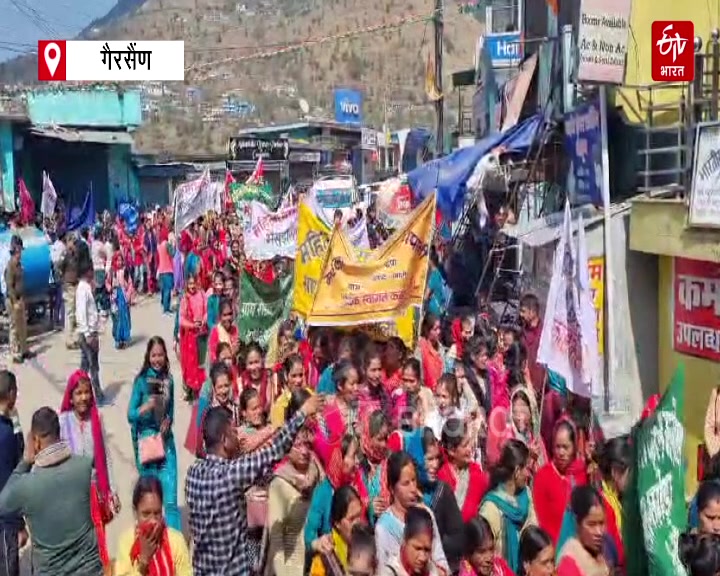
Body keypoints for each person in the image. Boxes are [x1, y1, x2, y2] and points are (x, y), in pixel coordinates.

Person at [185, 393, 323, 576]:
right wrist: (303, 412)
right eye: (234, 432)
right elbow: (276, 450)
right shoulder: (231, 474)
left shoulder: (193, 473)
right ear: (224, 440)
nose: (238, 436)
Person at [0, 407, 103, 575]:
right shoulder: (83, 466)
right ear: (59, 433)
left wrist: (25, 462)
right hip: (90, 569)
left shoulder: (26, 486)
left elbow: (3, 503)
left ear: (36, 441)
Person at [59, 370, 120, 572]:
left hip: (94, 493)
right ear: (71, 396)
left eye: (87, 392)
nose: (84, 397)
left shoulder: (97, 418)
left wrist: (112, 490)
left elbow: (105, 455)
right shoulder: (62, 422)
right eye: (79, 393)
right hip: (71, 494)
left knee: (98, 541)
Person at [128, 336, 181, 531]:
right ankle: (151, 540)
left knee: (171, 501)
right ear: (148, 357)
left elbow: (172, 410)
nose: (157, 359)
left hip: (166, 443)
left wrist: (168, 421)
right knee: (150, 501)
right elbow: (130, 415)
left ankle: (175, 546)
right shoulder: (141, 382)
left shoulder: (169, 380)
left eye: (160, 355)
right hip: (148, 445)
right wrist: (145, 407)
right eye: (154, 355)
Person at [266, 395, 322, 576]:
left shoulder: (317, 471)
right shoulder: (279, 483)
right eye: (298, 446)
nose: (304, 451)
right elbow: (276, 541)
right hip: (291, 567)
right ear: (287, 448)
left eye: (307, 445)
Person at [399, 427, 465, 573]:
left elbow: (459, 538)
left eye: (437, 458)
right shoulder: (403, 495)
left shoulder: (443, 492)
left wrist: (432, 540)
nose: (435, 465)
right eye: (429, 459)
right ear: (416, 458)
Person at [375, 451, 449, 573]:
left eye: (414, 480)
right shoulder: (384, 527)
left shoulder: (425, 514)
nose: (413, 489)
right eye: (406, 483)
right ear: (392, 489)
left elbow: (440, 558)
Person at [115, 476, 192, 576]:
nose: (152, 521)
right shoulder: (126, 542)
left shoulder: (175, 540)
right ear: (135, 512)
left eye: (157, 513)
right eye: (146, 514)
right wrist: (144, 561)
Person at [480, 439, 537, 573]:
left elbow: (533, 528)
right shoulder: (491, 508)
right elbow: (483, 553)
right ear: (517, 471)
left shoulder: (526, 495)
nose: (528, 474)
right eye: (526, 469)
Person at [305, 434, 366, 552]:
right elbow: (308, 537)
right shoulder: (323, 492)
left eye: (358, 456)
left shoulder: (356, 484)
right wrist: (317, 543)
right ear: (340, 458)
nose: (357, 461)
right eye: (353, 456)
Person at [533, 419, 588, 544]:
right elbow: (541, 519)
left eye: (565, 447)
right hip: (554, 548)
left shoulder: (581, 473)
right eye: (557, 447)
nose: (561, 453)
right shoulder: (543, 476)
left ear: (574, 447)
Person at [438, 417, 489, 522]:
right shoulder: (442, 477)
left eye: (469, 442)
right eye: (465, 445)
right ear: (452, 451)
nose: (470, 449)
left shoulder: (476, 473)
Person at [309, 485, 365, 576]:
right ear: (337, 523)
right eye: (352, 519)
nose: (358, 523)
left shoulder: (367, 544)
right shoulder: (325, 558)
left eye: (359, 515)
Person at [0, 371, 24, 576]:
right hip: (5, 523)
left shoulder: (7, 426)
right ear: (11, 394)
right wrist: (19, 525)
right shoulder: (6, 433)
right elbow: (10, 483)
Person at [556, 486, 609, 576]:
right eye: (591, 524)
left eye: (601, 523)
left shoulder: (600, 549)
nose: (599, 532)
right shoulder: (570, 562)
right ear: (577, 523)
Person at [596, 436, 630, 571]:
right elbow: (618, 554)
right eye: (631, 472)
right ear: (616, 472)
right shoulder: (604, 507)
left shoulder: (617, 501)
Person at [378, 506, 442, 576]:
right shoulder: (389, 572)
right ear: (405, 541)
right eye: (418, 548)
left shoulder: (432, 570)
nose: (422, 558)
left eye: (427, 550)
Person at [76, 266, 104, 402]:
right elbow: (81, 313)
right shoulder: (82, 289)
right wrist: (88, 334)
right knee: (93, 366)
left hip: (90, 331)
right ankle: (97, 395)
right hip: (87, 334)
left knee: (85, 366)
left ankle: (78, 391)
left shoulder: (86, 287)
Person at [179, 274, 208, 401]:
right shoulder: (185, 298)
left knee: (201, 363)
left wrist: (203, 321)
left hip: (201, 335)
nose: (192, 286)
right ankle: (189, 389)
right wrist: (192, 325)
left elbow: (207, 311)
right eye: (189, 284)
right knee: (189, 364)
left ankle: (200, 389)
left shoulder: (202, 294)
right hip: (190, 337)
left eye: (194, 283)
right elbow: (181, 319)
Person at [5, 234, 27, 364]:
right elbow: (9, 285)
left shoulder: (19, 264)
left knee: (22, 326)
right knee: (14, 327)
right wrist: (15, 301)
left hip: (20, 299)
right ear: (15, 250)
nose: (21, 253)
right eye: (19, 250)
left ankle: (24, 350)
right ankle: (15, 353)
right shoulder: (11, 266)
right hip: (13, 300)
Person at [60, 233, 81, 349]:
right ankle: (69, 340)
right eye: (72, 241)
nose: (74, 244)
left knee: (77, 313)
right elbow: (60, 268)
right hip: (69, 286)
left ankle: (75, 338)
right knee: (70, 314)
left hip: (76, 285)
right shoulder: (66, 256)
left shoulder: (75, 255)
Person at [418, 313, 446, 393]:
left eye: (439, 328)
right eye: (435, 329)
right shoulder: (420, 348)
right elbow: (419, 375)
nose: (439, 332)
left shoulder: (441, 349)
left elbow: (443, 371)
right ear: (427, 330)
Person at [157, 231, 175, 314]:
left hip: (161, 270)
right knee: (168, 290)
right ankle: (166, 309)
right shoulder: (167, 245)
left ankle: (164, 305)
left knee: (164, 290)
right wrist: (173, 245)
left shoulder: (160, 246)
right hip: (168, 269)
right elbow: (173, 254)